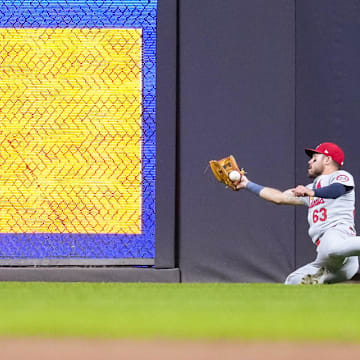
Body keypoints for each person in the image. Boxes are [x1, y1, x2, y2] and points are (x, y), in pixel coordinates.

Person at [236, 142, 360, 284]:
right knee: (293, 280)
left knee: (333, 248)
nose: (309, 162)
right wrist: (247, 184)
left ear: (327, 159)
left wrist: (312, 192)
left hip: (340, 236)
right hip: (329, 259)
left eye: (314, 158)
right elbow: (279, 197)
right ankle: (322, 286)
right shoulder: (310, 189)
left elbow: (337, 190)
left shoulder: (340, 176)